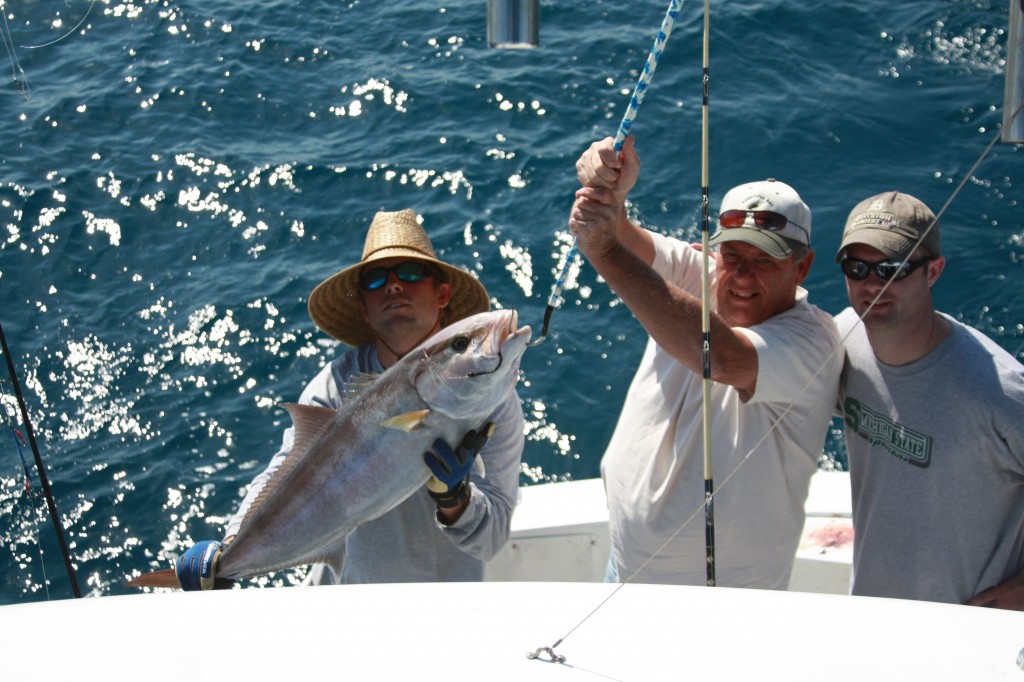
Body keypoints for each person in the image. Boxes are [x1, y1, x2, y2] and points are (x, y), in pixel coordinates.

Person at [175, 208, 525, 588]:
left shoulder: (497, 403)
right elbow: (284, 471)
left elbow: (491, 539)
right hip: (343, 598)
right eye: (376, 280)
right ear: (364, 309)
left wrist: (455, 498)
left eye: (409, 273)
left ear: (441, 294)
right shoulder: (333, 386)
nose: (393, 286)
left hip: (442, 598)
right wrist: (226, 549)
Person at [570, 136, 842, 588]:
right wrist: (609, 190)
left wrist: (602, 251)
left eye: (765, 260)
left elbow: (720, 356)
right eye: (732, 254)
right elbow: (618, 232)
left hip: (727, 602)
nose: (740, 276)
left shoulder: (813, 341)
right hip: (624, 569)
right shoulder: (704, 273)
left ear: (802, 267)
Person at [834, 191, 1024, 609]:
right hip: (870, 615)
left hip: (969, 632)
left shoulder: (1000, 391)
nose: (871, 284)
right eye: (857, 267)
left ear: (933, 272)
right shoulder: (843, 337)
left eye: (892, 269)